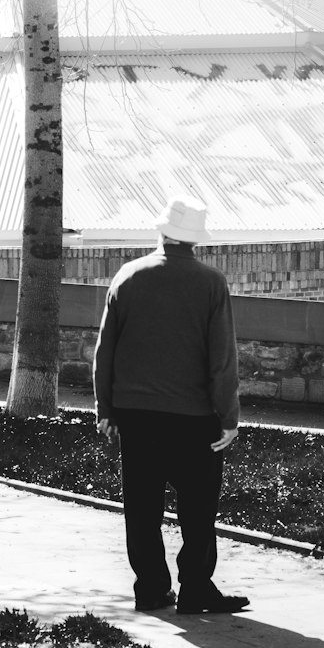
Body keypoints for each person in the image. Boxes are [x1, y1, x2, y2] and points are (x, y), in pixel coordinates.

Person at [93, 195, 249, 615]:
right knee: (198, 510)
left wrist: (105, 409)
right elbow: (222, 359)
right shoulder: (211, 283)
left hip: (137, 417)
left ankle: (150, 589)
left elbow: (105, 350)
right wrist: (229, 418)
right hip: (194, 418)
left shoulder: (127, 277)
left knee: (141, 508)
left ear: (161, 233)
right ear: (196, 241)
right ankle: (196, 588)